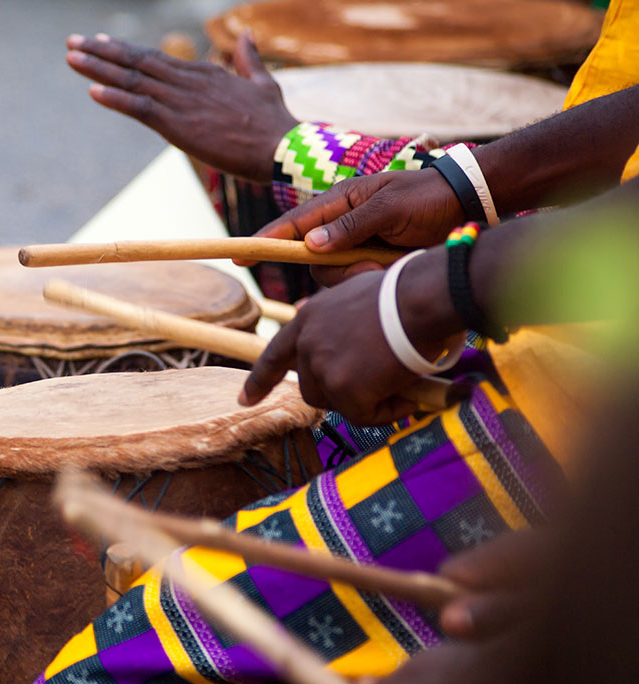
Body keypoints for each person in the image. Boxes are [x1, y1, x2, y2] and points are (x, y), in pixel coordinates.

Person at [38, 2, 639, 680]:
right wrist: (462, 185)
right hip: (549, 339)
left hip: (581, 417)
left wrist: (433, 290)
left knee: (107, 668)